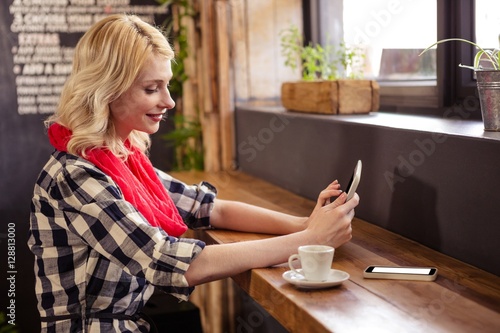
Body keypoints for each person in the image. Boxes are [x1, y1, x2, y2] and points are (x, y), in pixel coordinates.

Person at [28, 14, 359, 333]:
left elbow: (208, 207)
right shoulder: (76, 175)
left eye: (166, 85)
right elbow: (168, 261)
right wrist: (310, 241)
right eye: (151, 88)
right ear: (107, 89)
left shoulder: (122, 156)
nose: (169, 101)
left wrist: (304, 224)